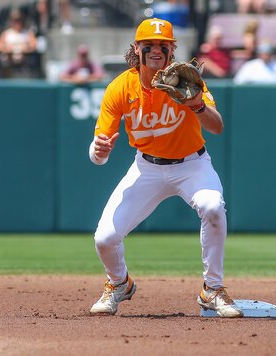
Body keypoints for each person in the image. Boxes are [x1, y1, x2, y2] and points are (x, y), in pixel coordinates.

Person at [88, 18, 243, 318]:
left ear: (172, 49)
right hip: (146, 168)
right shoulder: (121, 87)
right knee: (104, 239)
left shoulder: (187, 82)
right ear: (137, 48)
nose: (156, 50)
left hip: (192, 164)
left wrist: (197, 104)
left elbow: (218, 126)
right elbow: (99, 152)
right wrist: (99, 150)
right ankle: (119, 283)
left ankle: (212, 289)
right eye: (149, 45)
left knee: (212, 206)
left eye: (163, 45)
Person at [0, 9, 38, 78]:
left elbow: (34, 45)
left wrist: (24, 48)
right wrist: (9, 49)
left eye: (19, 20)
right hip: (8, 66)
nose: (17, 23)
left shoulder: (27, 33)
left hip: (24, 65)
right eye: (15, 21)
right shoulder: (6, 33)